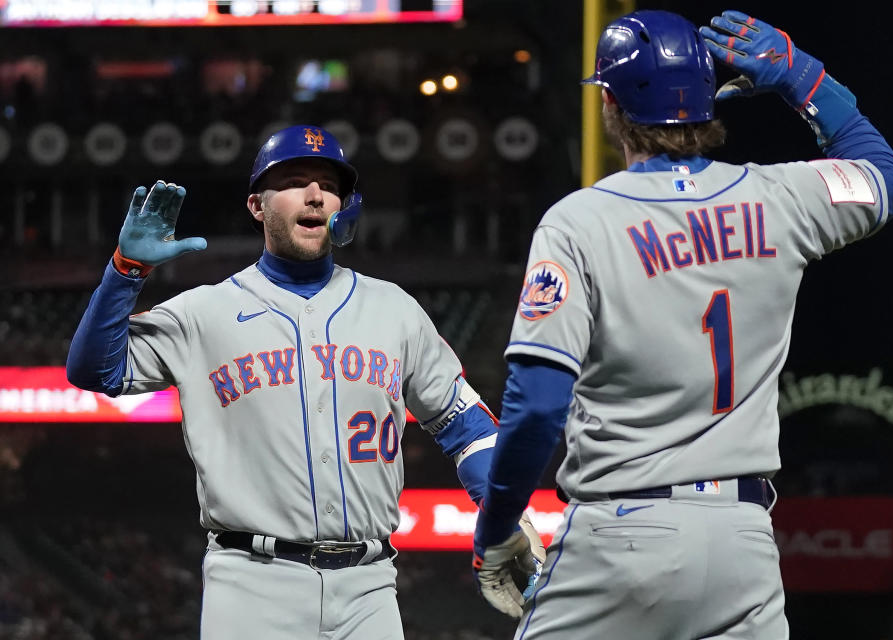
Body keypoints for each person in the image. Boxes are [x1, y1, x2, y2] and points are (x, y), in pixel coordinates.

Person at [470, 9, 893, 639]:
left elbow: (539, 403)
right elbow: (888, 176)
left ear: (613, 107)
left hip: (620, 535)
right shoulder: (779, 199)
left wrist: (495, 530)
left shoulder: (579, 222)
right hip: (742, 543)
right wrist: (804, 79)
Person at [65, 124, 544, 639]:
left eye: (329, 183)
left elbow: (466, 426)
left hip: (371, 587)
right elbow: (95, 369)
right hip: (250, 585)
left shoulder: (394, 310)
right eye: (295, 180)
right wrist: (125, 270)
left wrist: (505, 514)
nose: (316, 194)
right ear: (257, 206)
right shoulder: (204, 312)